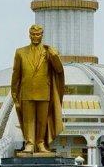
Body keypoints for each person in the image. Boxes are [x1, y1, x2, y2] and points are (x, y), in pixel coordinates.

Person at [11, 25, 64, 155]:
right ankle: (29, 143)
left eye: (38, 34)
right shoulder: (20, 52)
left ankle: (40, 143)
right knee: (28, 120)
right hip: (26, 91)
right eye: (33, 34)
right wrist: (14, 91)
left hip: (44, 91)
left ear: (42, 35)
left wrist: (54, 56)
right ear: (29, 35)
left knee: (42, 119)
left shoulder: (49, 51)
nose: (36, 37)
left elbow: (59, 70)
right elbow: (16, 73)